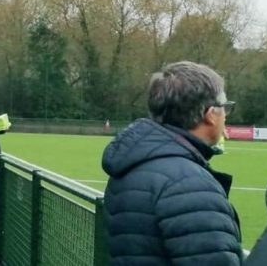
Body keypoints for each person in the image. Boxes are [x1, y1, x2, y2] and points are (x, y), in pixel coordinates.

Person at [102, 61, 243, 264]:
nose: (225, 117)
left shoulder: (134, 164)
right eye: (225, 108)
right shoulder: (190, 183)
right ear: (211, 114)